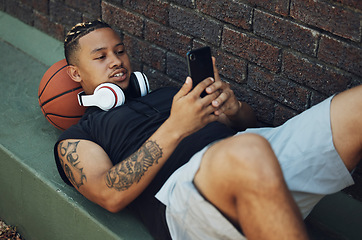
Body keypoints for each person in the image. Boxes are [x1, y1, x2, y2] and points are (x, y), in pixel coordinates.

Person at [54, 20, 361, 240]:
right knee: (248, 150)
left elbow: (247, 127)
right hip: (185, 197)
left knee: (356, 106)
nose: (116, 61)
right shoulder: (79, 136)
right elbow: (108, 194)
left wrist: (234, 110)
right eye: (101, 56)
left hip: (252, 158)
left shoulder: (165, 94)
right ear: (75, 73)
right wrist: (175, 127)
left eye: (120, 51)